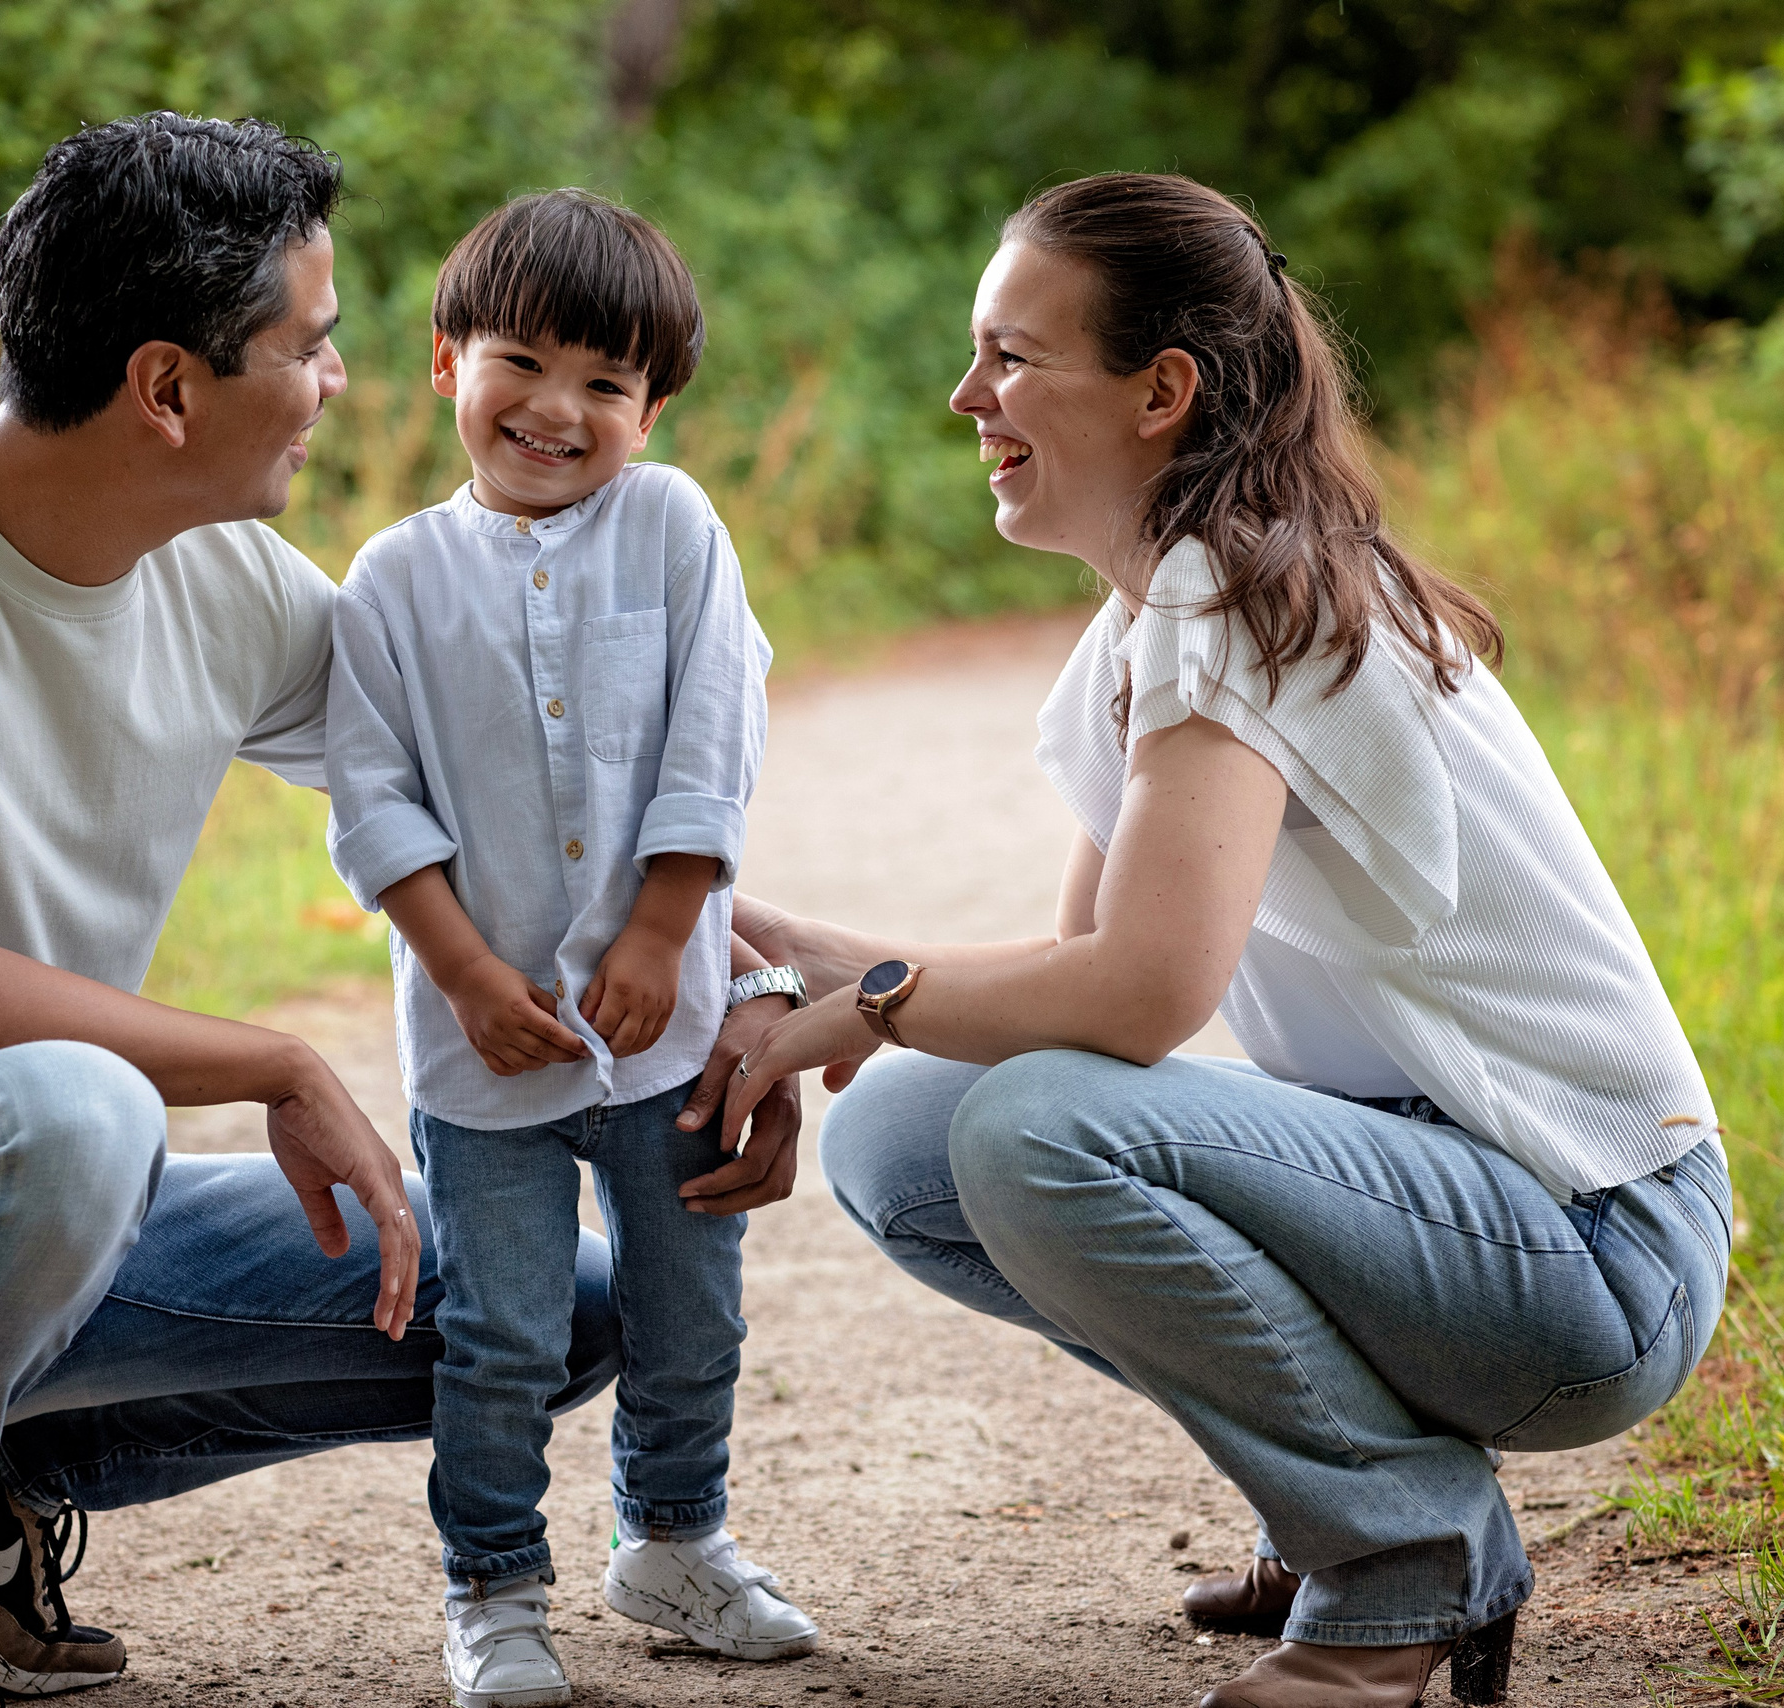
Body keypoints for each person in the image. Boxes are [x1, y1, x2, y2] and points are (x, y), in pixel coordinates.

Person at [0, 116, 630, 1708]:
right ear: (167, 389)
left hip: (39, 1200)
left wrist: (728, 967)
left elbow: (511, 809)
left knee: (552, 1308)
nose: (338, 381)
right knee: (74, 1109)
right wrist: (274, 1062)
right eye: (310, 344)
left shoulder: (231, 582)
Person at [717, 172, 1732, 1708]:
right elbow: (1073, 988)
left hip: (1597, 1243)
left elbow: (1136, 1000)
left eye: (1012, 357)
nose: (966, 396)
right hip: (1463, 1210)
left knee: (1036, 1134)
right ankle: (1337, 1498)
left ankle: (1402, 1560)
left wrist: (877, 994)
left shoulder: (1237, 595)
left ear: (1161, 392)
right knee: (910, 1138)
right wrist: (839, 970)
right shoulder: (1157, 610)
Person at [323, 189, 819, 1708]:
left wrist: (669, 926)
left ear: (650, 413)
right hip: (483, 1050)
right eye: (522, 363)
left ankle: (673, 1537)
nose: (557, 408)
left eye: (606, 382)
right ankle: (492, 1587)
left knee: (692, 1311)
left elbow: (714, 730)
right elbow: (374, 804)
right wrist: (470, 976)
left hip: (664, 1033)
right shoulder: (393, 578)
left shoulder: (671, 528)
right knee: (501, 1334)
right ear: (445, 363)